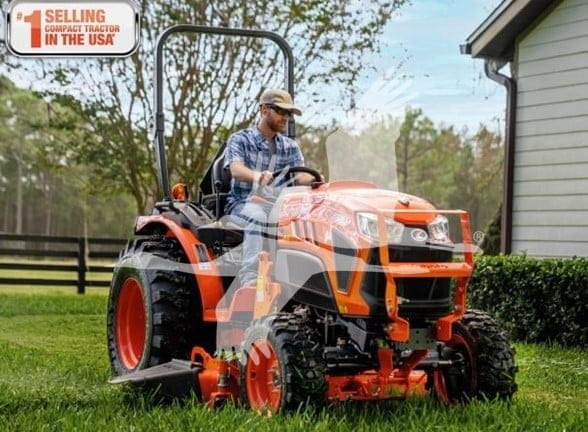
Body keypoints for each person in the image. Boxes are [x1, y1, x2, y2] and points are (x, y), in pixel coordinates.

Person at [224, 88, 315, 287]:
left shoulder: (290, 146)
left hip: (279, 207)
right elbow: (236, 169)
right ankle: (250, 278)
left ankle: (306, 279)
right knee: (257, 216)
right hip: (242, 204)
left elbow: (300, 175)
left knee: (311, 218)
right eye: (281, 111)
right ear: (264, 110)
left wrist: (315, 178)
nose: (286, 117)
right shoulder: (240, 139)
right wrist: (257, 176)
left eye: (289, 113)